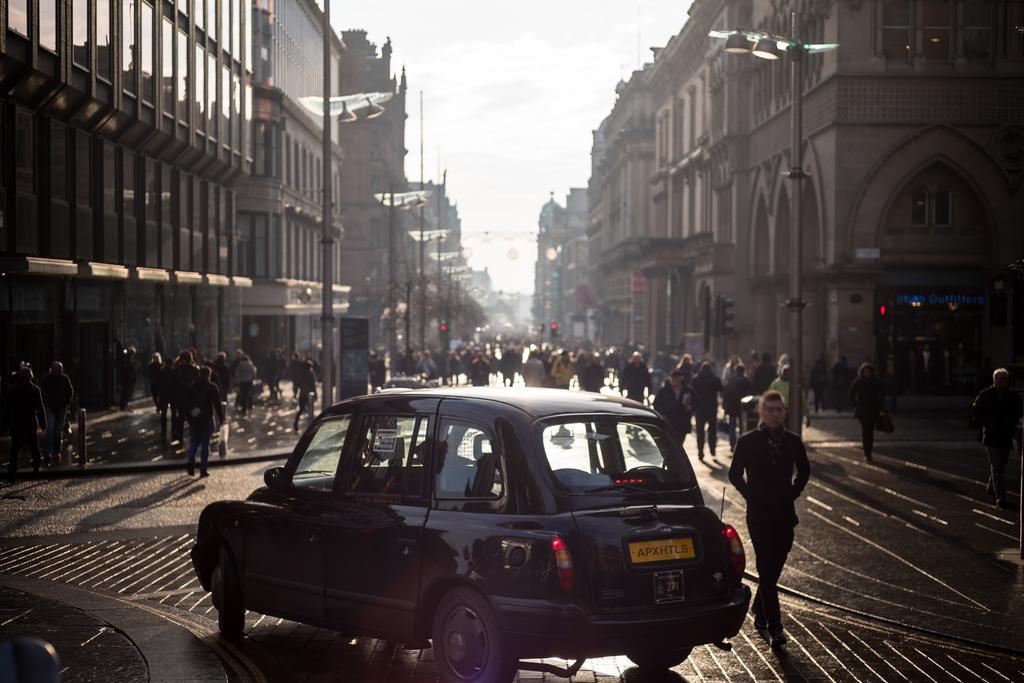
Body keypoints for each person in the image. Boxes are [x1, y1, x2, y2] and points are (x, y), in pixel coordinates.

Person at [728, 390, 810, 648]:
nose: (775, 414)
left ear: (784, 412)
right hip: (760, 516)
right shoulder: (748, 441)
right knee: (765, 566)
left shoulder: (793, 442)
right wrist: (751, 495)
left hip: (785, 515)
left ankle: (759, 608)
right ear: (761, 413)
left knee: (774, 568)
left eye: (779, 409)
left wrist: (793, 492)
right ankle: (775, 627)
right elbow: (734, 474)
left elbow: (805, 470)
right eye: (770, 409)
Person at [970, 368, 1022, 507]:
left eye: (1003, 379)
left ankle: (991, 486)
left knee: (1000, 466)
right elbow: (976, 410)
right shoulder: (986, 394)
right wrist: (985, 423)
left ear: (1007, 381)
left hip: (1006, 435)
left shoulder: (1013, 396)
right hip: (992, 436)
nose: (1000, 381)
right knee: (996, 466)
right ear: (994, 380)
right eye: (998, 379)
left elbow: (1018, 412)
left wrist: (1013, 425)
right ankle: (1000, 496)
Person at [4, 367, 47, 481]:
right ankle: (37, 469)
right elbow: (40, 408)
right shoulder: (35, 389)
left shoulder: (12, 389)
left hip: (16, 422)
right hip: (30, 422)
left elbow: (7, 409)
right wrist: (43, 424)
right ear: (30, 376)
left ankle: (12, 472)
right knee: (34, 447)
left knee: (15, 448)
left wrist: (5, 425)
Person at [184, 366, 225, 477]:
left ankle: (191, 459)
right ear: (209, 375)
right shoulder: (212, 386)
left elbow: (186, 403)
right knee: (205, 444)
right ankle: (203, 469)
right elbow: (217, 404)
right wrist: (221, 417)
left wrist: (187, 416)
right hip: (206, 418)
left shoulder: (191, 386)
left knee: (194, 442)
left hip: (193, 419)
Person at [848, 363, 884, 463]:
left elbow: (882, 394)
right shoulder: (859, 381)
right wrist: (856, 404)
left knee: (870, 432)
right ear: (862, 372)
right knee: (865, 431)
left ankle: (869, 452)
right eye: (865, 371)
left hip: (873, 410)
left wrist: (880, 406)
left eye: (868, 371)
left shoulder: (876, 381)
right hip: (862, 411)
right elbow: (851, 393)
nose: (867, 373)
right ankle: (866, 453)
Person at [39, 362, 74, 465]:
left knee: (58, 431)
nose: (60, 371)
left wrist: (67, 403)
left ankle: (56, 452)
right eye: (58, 369)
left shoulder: (64, 378)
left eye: (61, 369)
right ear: (52, 369)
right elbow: (41, 391)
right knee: (50, 429)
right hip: (50, 407)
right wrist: (45, 403)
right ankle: (47, 452)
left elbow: (70, 391)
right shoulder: (46, 379)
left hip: (61, 408)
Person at [690, 361, 723, 460]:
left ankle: (700, 452)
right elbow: (721, 389)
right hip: (712, 408)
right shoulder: (715, 379)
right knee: (712, 430)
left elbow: (691, 392)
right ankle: (712, 449)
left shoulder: (696, 379)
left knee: (700, 431)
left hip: (700, 409)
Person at [653, 369, 693, 446]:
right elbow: (656, 404)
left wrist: (690, 407)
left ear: (681, 378)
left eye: (676, 377)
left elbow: (696, 403)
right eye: (672, 377)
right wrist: (662, 415)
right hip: (668, 422)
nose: (674, 380)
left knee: (679, 444)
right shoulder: (664, 390)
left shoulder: (687, 390)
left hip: (682, 423)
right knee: (670, 444)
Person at [723, 364, 754, 452]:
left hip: (732, 406)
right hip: (742, 407)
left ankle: (733, 445)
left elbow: (726, 394)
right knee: (742, 426)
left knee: (732, 427)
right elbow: (750, 394)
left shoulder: (731, 381)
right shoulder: (746, 381)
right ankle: (741, 443)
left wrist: (724, 406)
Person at [170, 351, 199, 443]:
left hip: (190, 397)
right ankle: (180, 435)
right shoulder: (177, 369)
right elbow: (173, 384)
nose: (184, 362)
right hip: (182, 397)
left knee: (191, 416)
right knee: (182, 416)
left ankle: (190, 434)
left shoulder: (194, 369)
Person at [769, 365, 809, 430]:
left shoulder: (795, 384)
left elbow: (803, 399)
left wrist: (806, 412)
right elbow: (769, 397)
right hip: (779, 412)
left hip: (792, 412)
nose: (787, 375)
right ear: (783, 373)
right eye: (786, 373)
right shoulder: (775, 384)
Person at [293, 360, 317, 432]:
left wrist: (295, 393)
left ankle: (296, 423)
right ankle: (311, 426)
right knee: (310, 411)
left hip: (302, 395)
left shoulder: (301, 374)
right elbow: (313, 385)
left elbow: (298, 384)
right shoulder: (310, 374)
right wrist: (315, 394)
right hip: (309, 395)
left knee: (301, 410)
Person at [119, 346, 138, 411]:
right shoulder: (127, 360)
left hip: (129, 379)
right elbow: (126, 369)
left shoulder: (130, 360)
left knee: (127, 393)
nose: (133, 355)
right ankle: (123, 406)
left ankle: (124, 405)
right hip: (127, 379)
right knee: (125, 393)